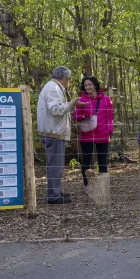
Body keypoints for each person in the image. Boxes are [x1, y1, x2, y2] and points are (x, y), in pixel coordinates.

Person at [37, 66, 87, 204]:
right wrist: (72, 103)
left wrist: (72, 106)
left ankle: (56, 192)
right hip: (53, 133)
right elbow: (55, 110)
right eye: (68, 79)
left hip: (54, 132)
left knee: (57, 165)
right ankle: (53, 195)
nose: (69, 82)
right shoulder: (53, 88)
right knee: (55, 165)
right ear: (65, 78)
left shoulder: (53, 87)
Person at [73, 76, 114, 194]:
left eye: (90, 84)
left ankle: (103, 185)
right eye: (86, 85)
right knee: (86, 161)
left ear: (95, 85)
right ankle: (87, 185)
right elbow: (75, 116)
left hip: (103, 134)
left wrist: (109, 130)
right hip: (87, 135)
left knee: (102, 161)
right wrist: (84, 116)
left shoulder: (106, 99)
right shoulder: (81, 100)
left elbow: (110, 116)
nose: (88, 87)